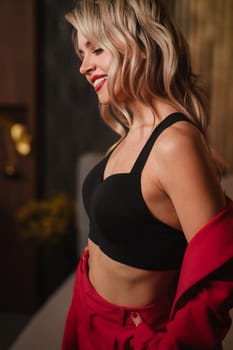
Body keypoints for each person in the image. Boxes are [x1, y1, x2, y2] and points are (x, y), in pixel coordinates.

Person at [62, 1, 233, 349]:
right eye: (81, 52)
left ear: (138, 42)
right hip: (86, 311)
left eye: (96, 48)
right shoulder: (128, 133)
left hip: (130, 335)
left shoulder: (175, 143)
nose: (84, 66)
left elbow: (219, 278)